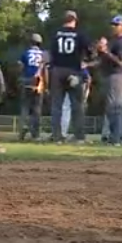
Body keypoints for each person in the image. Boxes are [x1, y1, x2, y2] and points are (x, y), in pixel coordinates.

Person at [48, 10, 93, 144]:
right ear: (75, 20)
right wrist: (86, 60)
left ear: (64, 20)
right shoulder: (80, 34)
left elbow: (51, 53)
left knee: (57, 105)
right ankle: (79, 136)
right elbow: (89, 50)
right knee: (77, 105)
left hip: (57, 70)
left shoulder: (56, 33)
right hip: (74, 70)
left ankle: (57, 136)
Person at [97, 15, 122, 146]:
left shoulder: (121, 42)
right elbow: (102, 59)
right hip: (110, 75)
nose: (113, 27)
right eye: (112, 24)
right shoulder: (113, 41)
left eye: (116, 25)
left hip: (117, 76)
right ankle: (118, 137)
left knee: (115, 107)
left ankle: (115, 138)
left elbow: (121, 62)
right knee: (113, 108)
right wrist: (101, 50)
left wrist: (106, 52)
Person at [17, 33, 46, 141]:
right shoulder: (43, 54)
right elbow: (45, 70)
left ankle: (23, 128)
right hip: (38, 82)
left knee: (25, 106)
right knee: (37, 108)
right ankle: (35, 134)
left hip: (26, 80)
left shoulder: (25, 53)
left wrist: (21, 76)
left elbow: (20, 66)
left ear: (30, 42)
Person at [61, 66, 91, 139]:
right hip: (75, 86)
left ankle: (63, 133)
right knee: (72, 109)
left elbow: (87, 78)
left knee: (67, 109)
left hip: (75, 87)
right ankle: (77, 134)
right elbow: (88, 78)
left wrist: (86, 92)